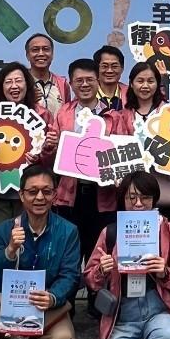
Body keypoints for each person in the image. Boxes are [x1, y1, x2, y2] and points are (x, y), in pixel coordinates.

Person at [83, 172, 170, 339]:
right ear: (123, 199)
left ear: (154, 199)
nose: (138, 203)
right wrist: (102, 269)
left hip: (158, 309)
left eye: (145, 197)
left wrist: (164, 272)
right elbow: (90, 280)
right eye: (131, 197)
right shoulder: (110, 233)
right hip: (123, 316)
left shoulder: (169, 231)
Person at [0, 164, 82, 339]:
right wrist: (10, 250)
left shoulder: (68, 231)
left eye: (47, 191)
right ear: (22, 195)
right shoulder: (5, 230)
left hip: (45, 302)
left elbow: (70, 275)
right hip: (12, 300)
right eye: (33, 191)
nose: (40, 197)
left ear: (55, 194)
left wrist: (53, 296)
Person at [0, 62, 56, 250]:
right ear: (1, 87)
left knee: (30, 246)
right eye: (8, 82)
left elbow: (52, 161)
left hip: (32, 194)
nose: (14, 86)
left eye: (18, 81)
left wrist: (42, 155)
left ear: (27, 85)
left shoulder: (42, 115)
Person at [50, 58, 115, 268]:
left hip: (103, 197)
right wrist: (50, 146)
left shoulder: (113, 116)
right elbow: (51, 155)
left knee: (100, 255)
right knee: (68, 256)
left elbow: (122, 155)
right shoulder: (63, 114)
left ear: (98, 81)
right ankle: (68, 290)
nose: (85, 84)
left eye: (89, 80)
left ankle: (97, 290)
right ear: (70, 83)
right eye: (79, 80)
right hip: (70, 196)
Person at [113, 59, 170, 234]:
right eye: (140, 81)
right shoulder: (122, 116)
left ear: (158, 83)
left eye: (150, 81)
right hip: (134, 192)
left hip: (166, 188)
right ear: (131, 84)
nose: (145, 86)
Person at [26, 33, 70, 116]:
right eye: (35, 50)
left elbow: (67, 116)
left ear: (52, 54)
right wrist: (26, 100)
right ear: (27, 55)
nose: (41, 53)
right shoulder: (21, 83)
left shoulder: (63, 84)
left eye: (46, 49)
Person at [93, 45, 128, 114]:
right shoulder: (86, 94)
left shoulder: (132, 94)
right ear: (96, 68)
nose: (110, 70)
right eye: (104, 66)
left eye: (114, 66)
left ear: (122, 68)